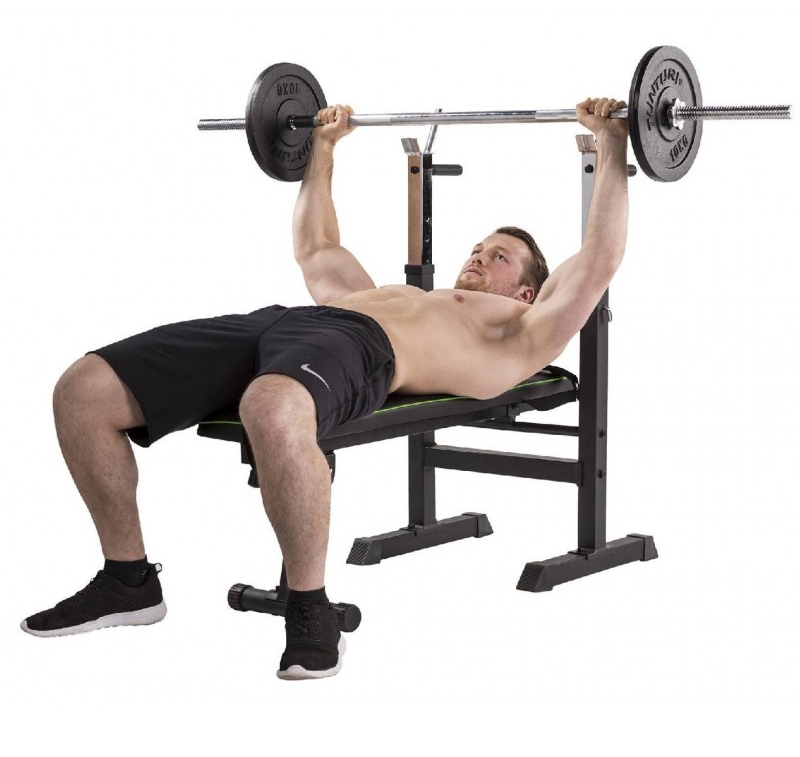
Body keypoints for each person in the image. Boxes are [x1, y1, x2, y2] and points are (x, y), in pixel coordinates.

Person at [20, 96, 629, 680]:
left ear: (528, 291)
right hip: (287, 322)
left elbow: (598, 258)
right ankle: (128, 580)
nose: (478, 256)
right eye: (478, 247)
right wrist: (323, 147)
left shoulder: (520, 331)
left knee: (271, 405)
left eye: (499, 257)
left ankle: (311, 609)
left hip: (367, 348)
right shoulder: (402, 294)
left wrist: (612, 143)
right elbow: (317, 249)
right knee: (84, 389)